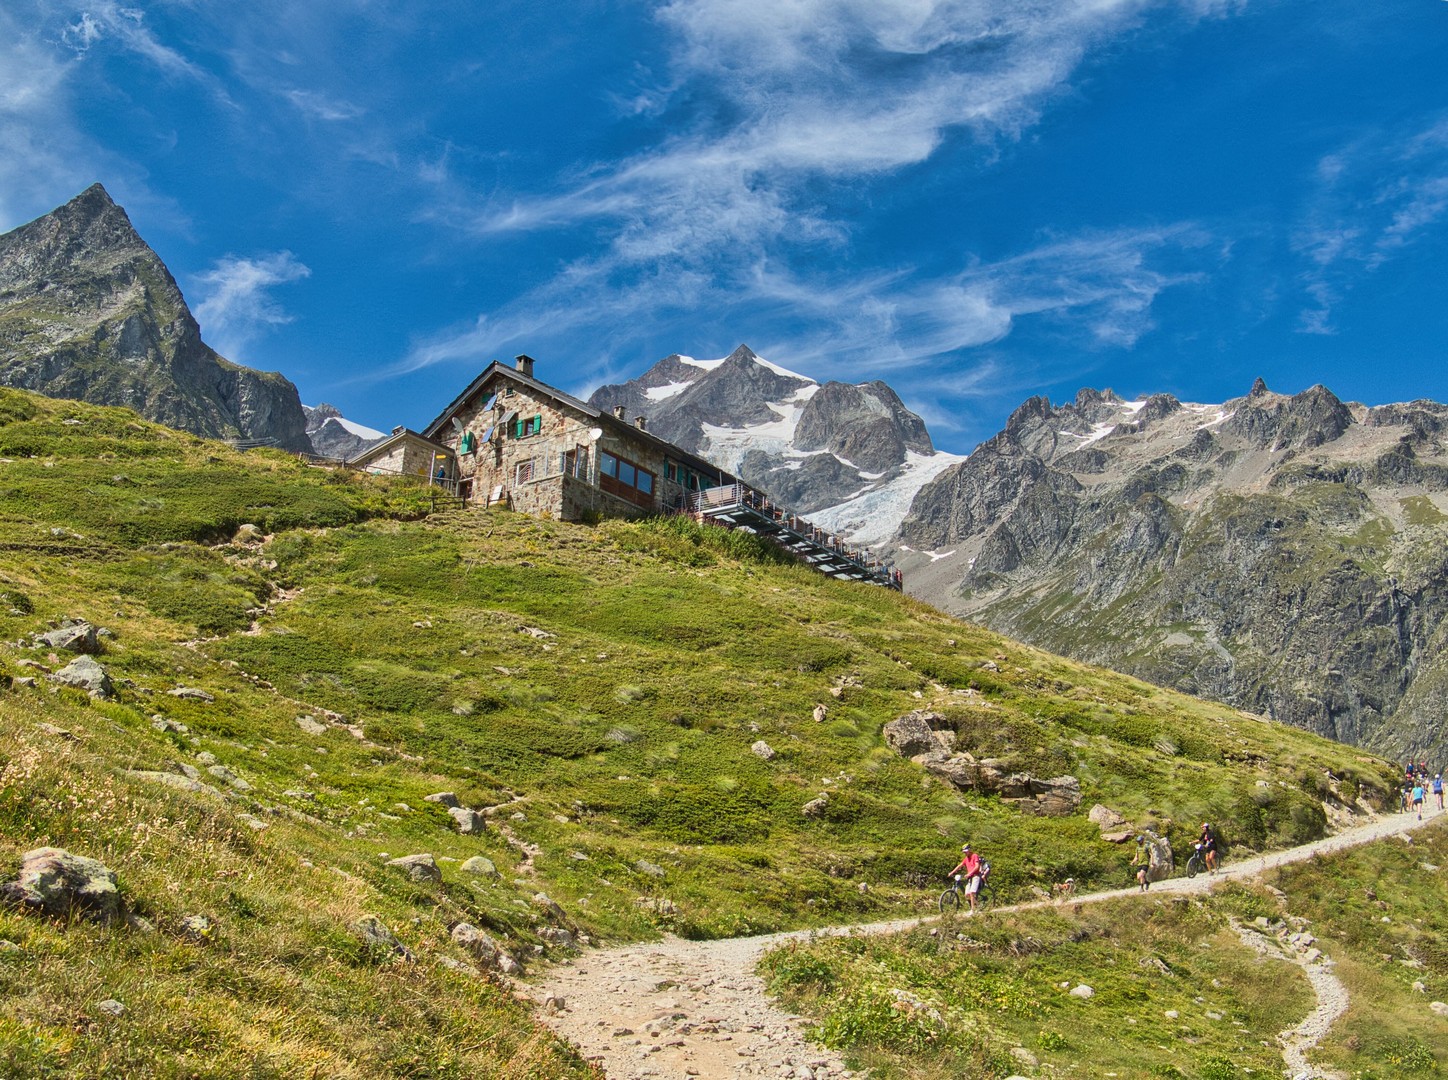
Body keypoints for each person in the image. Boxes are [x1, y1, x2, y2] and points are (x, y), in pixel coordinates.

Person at [947, 843, 984, 914]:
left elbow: (977, 866)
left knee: (972, 893)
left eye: (966, 851)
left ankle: (972, 910)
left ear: (969, 850)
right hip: (970, 877)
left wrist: (970, 873)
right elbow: (959, 866)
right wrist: (952, 872)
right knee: (967, 894)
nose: (965, 853)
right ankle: (978, 905)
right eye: (964, 852)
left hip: (976, 876)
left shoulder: (974, 856)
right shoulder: (966, 859)